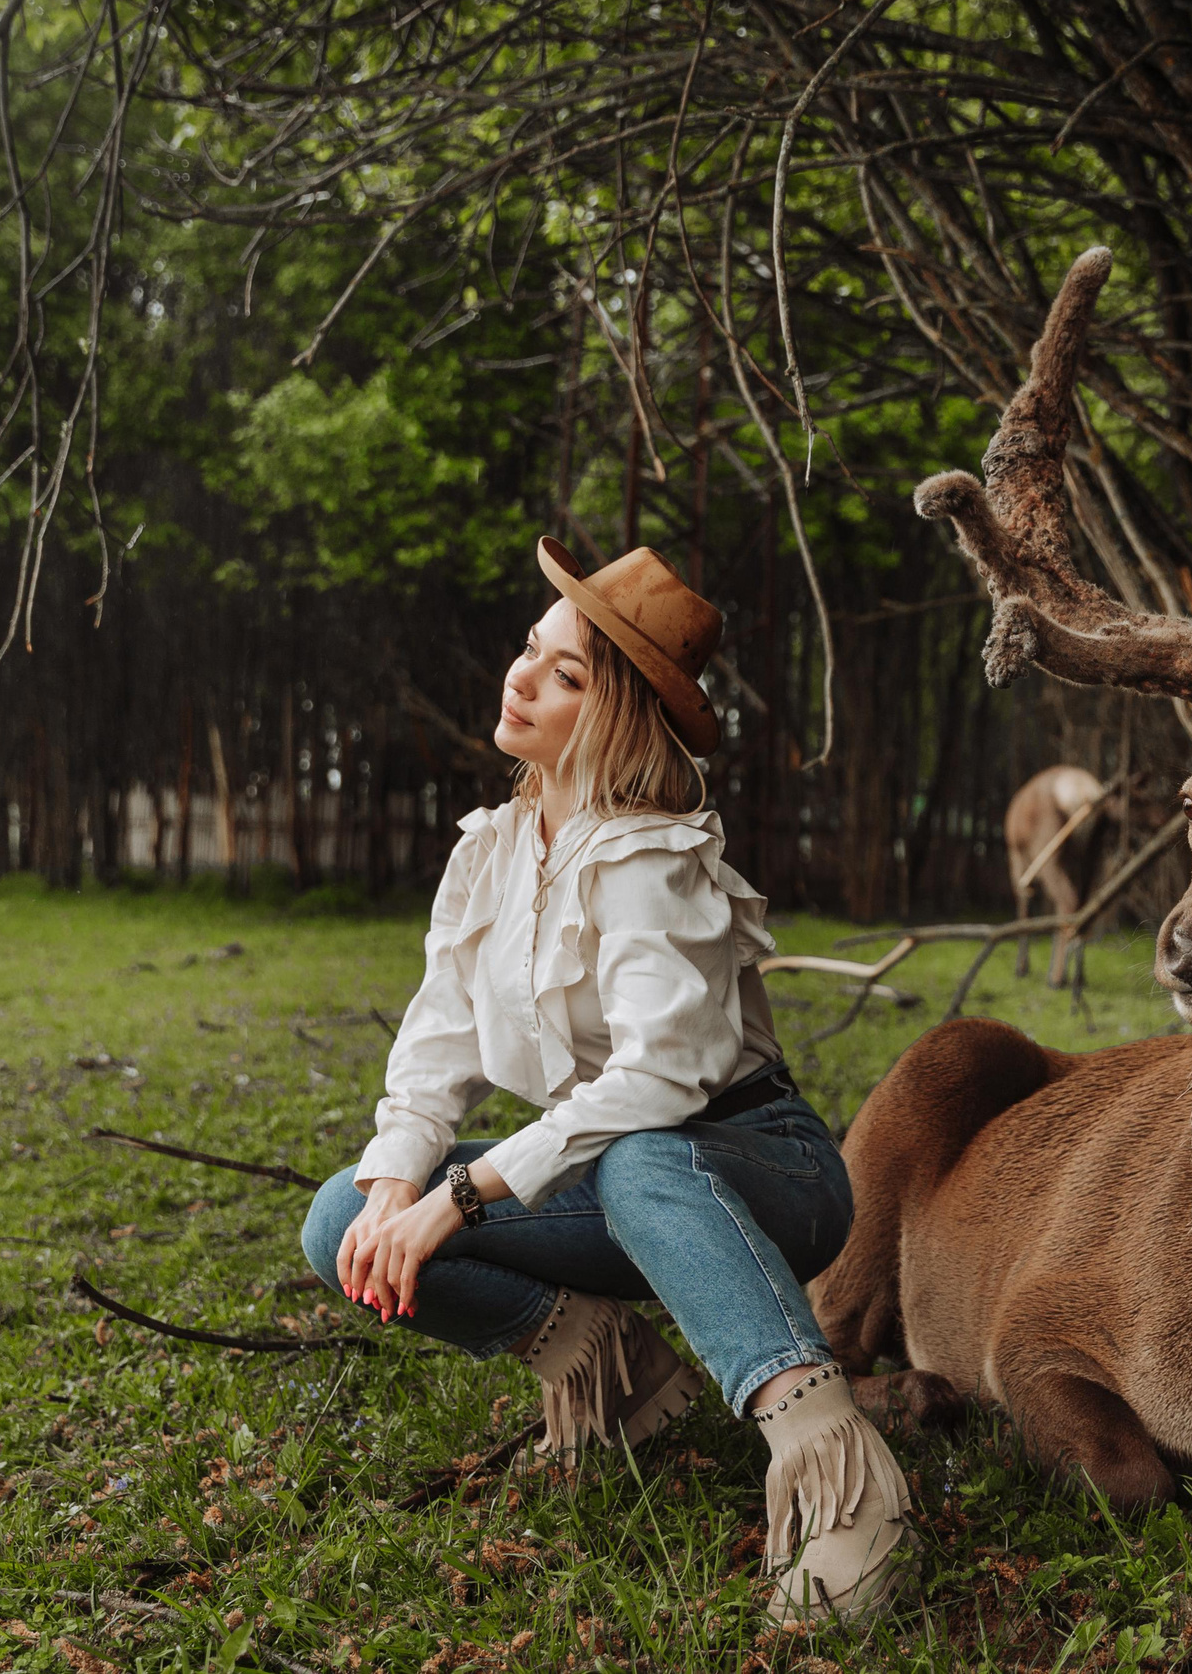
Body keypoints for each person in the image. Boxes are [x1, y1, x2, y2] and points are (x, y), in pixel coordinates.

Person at [298, 539, 911, 1624]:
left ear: (619, 714)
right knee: (338, 1218)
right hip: (615, 1170)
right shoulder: (489, 849)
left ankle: (842, 1474)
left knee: (639, 1162)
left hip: (759, 1166)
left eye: (565, 673)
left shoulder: (649, 855)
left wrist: (467, 1192)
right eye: (530, 651)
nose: (521, 677)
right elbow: (438, 1036)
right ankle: (614, 1375)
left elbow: (664, 1078)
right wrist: (400, 1182)